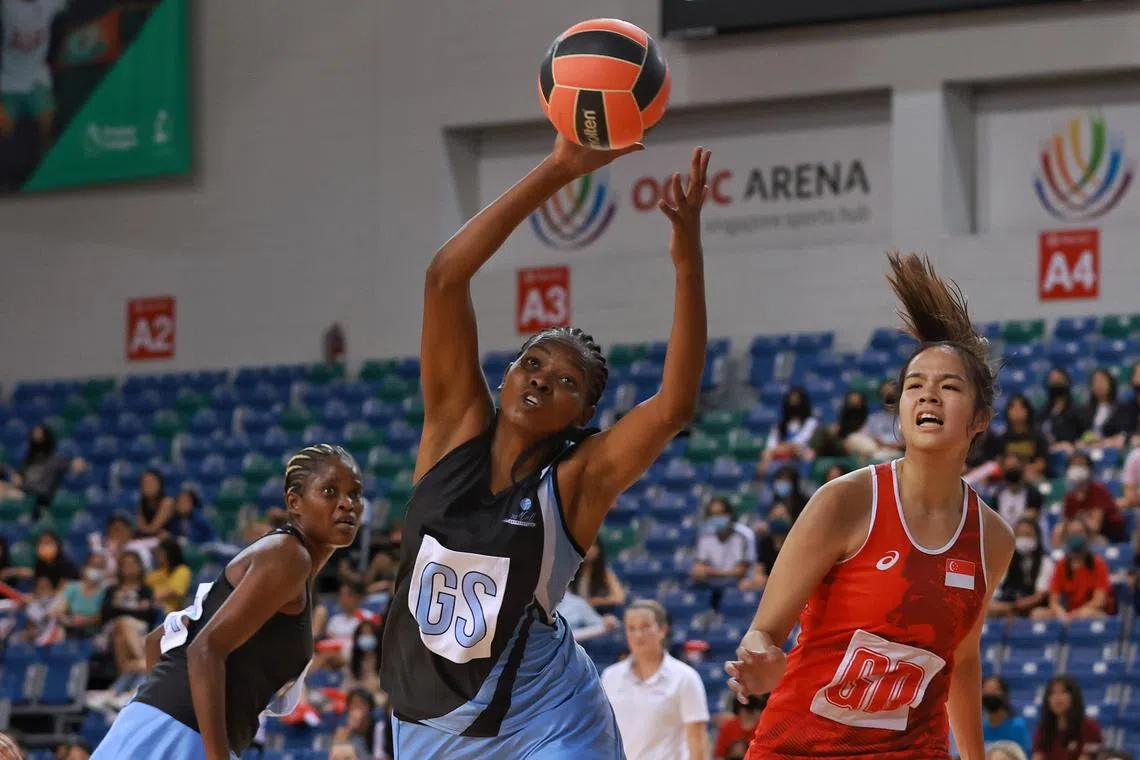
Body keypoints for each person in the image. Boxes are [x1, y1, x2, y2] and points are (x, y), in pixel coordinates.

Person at [378, 138, 710, 759]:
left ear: (583, 413)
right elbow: (445, 277)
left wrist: (687, 264)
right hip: (426, 724)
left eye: (565, 382)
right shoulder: (453, 426)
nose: (540, 378)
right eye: (532, 363)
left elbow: (674, 406)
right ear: (505, 375)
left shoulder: (576, 478)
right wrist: (560, 169)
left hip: (547, 716)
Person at [725, 253, 1015, 760]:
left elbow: (962, 659)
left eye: (949, 387)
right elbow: (764, 632)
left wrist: (975, 756)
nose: (929, 397)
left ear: (980, 419)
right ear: (899, 413)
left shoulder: (993, 538)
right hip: (800, 747)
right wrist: (760, 657)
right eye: (914, 387)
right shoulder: (845, 501)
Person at [91, 444, 365, 760]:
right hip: (179, 734)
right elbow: (204, 649)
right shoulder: (289, 557)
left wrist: (157, 710)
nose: (347, 504)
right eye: (330, 491)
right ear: (294, 503)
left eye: (355, 494)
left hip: (171, 730)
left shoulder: (284, 560)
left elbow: (159, 640)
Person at [600, 600, 711, 759]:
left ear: (662, 630)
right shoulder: (610, 676)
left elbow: (698, 741)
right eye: (631, 628)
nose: (638, 634)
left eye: (645, 627)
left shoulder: (685, 677)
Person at [1031, 675, 1102, 760]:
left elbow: (1087, 757)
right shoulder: (1043, 728)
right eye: (1052, 693)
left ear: (1074, 697)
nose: (1057, 698)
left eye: (1063, 692)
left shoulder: (1089, 726)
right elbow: (1037, 756)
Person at [981, 676, 1031, 755]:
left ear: (1004, 695)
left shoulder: (1017, 726)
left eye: (995, 690)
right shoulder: (979, 728)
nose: (990, 693)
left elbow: (1025, 755)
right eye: (986, 690)